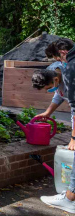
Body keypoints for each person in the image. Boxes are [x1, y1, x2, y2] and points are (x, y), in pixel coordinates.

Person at [40, 38, 75, 212]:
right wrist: (47, 113)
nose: (58, 62)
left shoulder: (70, 69)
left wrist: (74, 137)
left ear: (62, 53)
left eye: (58, 58)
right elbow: (60, 95)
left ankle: (69, 199)